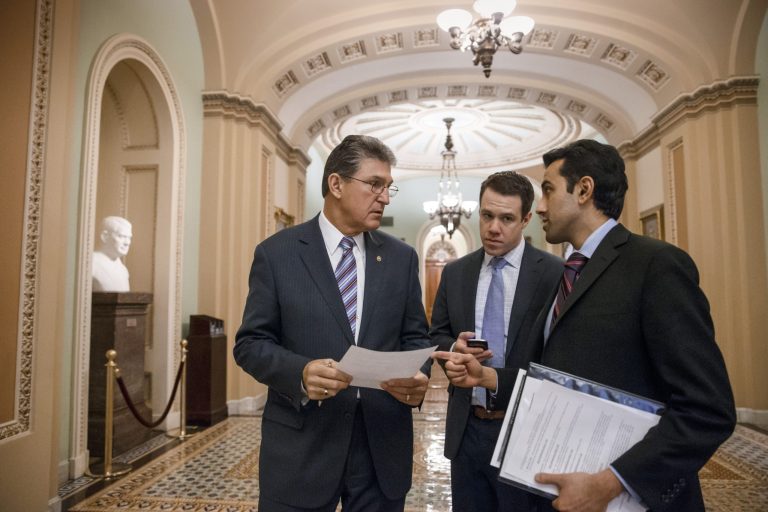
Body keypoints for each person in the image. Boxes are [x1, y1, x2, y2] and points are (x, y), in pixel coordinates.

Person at [434, 139, 736, 512]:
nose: (540, 205)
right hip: (568, 484)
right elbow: (559, 378)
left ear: (584, 190)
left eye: (547, 190)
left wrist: (611, 482)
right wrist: (488, 377)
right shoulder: (572, 273)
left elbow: (707, 410)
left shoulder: (655, 265)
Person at [233, 134, 432, 512]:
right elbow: (250, 344)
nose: (385, 197)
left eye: (390, 187)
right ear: (336, 184)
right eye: (375, 184)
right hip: (302, 448)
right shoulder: (277, 254)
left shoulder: (401, 258)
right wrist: (301, 372)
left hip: (380, 447)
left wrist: (417, 378)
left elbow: (415, 337)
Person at [429, 171, 561, 511]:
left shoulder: (553, 274)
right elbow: (438, 334)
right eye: (487, 215)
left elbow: (559, 354)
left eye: (506, 218)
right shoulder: (456, 273)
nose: (493, 228)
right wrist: (452, 352)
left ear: (527, 219)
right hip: (468, 428)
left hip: (527, 429)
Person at [92, 215, 132, 292]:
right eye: (121, 236)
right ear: (105, 236)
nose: (127, 243)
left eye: (129, 238)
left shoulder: (123, 270)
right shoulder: (90, 264)